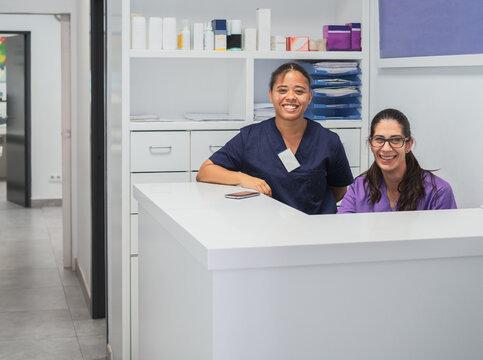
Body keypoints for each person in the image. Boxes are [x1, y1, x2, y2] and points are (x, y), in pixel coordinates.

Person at [196, 62, 353, 214]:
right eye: (282, 90)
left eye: (299, 91)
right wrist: (242, 178)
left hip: (315, 229)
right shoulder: (251, 137)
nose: (291, 97)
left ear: (310, 97)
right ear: (271, 95)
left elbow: (339, 190)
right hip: (267, 229)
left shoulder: (329, 140)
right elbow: (205, 171)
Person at [338, 108, 457, 213]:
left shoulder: (438, 192)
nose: (386, 148)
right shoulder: (358, 189)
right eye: (379, 139)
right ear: (371, 144)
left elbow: (445, 237)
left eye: (395, 140)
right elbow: (344, 232)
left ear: (408, 145)